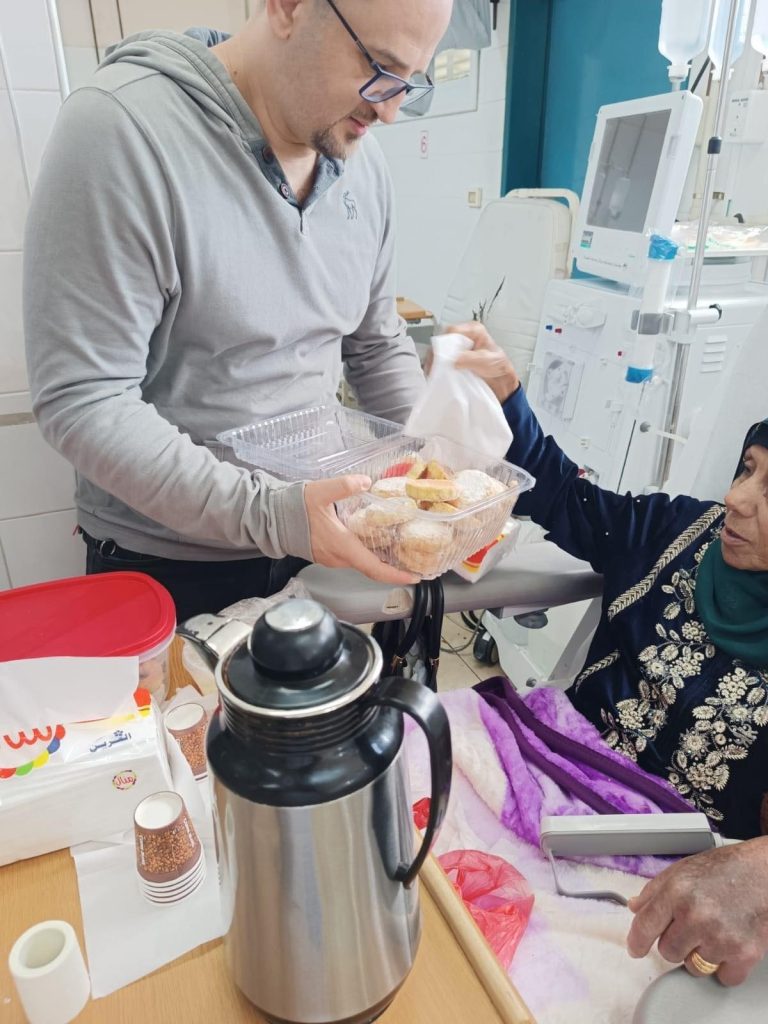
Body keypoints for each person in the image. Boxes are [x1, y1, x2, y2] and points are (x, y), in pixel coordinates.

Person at [22, 0, 452, 621]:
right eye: (379, 67)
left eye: (411, 81)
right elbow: (84, 399)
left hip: (323, 538)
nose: (388, 109)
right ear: (288, 8)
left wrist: (430, 476)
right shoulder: (121, 131)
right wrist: (274, 515)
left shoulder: (363, 160)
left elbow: (376, 341)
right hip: (170, 561)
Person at [450, 321, 768, 987]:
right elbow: (563, 496)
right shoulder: (677, 530)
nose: (736, 499)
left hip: (672, 875)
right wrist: (508, 396)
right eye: (748, 469)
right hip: (545, 769)